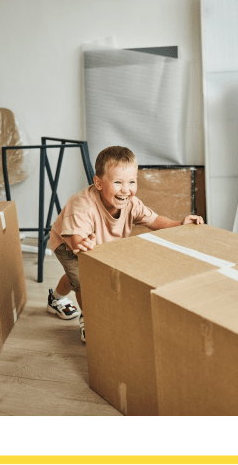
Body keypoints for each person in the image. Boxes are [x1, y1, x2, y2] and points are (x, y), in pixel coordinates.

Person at [47, 146, 204, 342]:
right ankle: (88, 319)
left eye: (132, 182)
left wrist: (180, 225)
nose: (126, 189)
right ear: (99, 183)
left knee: (74, 277)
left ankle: (55, 299)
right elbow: (76, 240)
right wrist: (83, 243)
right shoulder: (82, 205)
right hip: (69, 242)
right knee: (83, 277)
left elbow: (153, 220)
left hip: (98, 244)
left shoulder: (131, 203)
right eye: (118, 182)